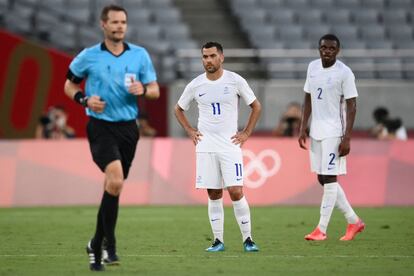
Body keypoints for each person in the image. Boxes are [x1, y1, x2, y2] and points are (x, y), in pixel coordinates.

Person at [63, 4, 159, 271]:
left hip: (129, 128)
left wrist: (143, 89)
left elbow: (154, 91)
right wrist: (84, 99)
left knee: (113, 187)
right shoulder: (88, 56)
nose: (120, 27)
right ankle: (108, 243)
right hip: (100, 127)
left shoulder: (140, 55)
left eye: (123, 22)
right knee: (115, 180)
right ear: (103, 25)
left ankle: (97, 243)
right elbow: (69, 84)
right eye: (114, 22)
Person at [174, 42, 261, 252]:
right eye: (205, 57)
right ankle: (218, 241)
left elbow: (256, 106)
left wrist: (247, 132)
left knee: (236, 191)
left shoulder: (235, 80)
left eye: (212, 56)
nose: (208, 61)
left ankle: (248, 239)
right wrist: (189, 130)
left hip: (230, 146)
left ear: (221, 57)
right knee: (213, 193)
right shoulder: (196, 84)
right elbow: (178, 109)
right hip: (205, 146)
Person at [298, 34, 365, 241]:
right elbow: (308, 97)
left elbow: (352, 105)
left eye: (331, 48)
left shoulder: (344, 73)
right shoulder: (312, 67)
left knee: (330, 178)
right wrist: (303, 126)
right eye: (323, 47)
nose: (327, 51)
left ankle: (321, 229)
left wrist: (347, 137)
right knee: (322, 178)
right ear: (319, 49)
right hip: (316, 131)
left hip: (335, 132)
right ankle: (353, 220)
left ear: (338, 50)